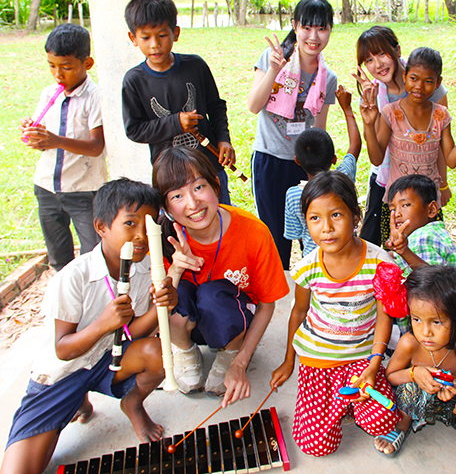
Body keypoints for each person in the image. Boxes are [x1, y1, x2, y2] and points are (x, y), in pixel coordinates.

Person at [0, 179, 177, 474]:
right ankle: (76, 400)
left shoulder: (145, 266)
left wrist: (163, 307)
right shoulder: (73, 277)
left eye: (148, 226)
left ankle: (131, 404)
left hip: (109, 357)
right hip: (63, 372)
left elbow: (136, 333)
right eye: (130, 224)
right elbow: (63, 350)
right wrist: (102, 325)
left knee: (156, 353)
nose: (141, 236)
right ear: (101, 227)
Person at [270, 171, 402, 457]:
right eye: (314, 218)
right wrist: (289, 360)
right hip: (318, 361)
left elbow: (384, 316)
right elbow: (299, 312)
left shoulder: (380, 262)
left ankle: (351, 403)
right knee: (314, 447)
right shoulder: (307, 268)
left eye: (336, 215)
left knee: (382, 419)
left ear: (356, 216)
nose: (326, 228)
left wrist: (374, 363)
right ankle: (339, 405)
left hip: (362, 361)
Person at [152, 147, 289, 402]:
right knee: (173, 292)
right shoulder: (162, 237)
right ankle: (185, 350)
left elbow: (268, 304)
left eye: (198, 187)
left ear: (216, 185)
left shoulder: (253, 233)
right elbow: (156, 304)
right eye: (177, 195)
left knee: (213, 293)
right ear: (166, 206)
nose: (193, 204)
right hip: (188, 325)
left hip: (233, 321)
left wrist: (240, 361)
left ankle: (229, 353)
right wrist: (176, 268)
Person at [246, 0, 338, 270]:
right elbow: (253, 105)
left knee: (313, 237)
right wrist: (274, 70)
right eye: (307, 27)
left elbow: (318, 129)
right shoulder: (273, 59)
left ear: (330, 30)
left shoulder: (328, 78)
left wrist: (321, 168)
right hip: (270, 159)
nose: (314, 36)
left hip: (306, 165)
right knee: (274, 238)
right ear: (295, 26)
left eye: (321, 28)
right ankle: (279, 300)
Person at [361, 47, 456, 245]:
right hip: (396, 205)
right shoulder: (390, 112)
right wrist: (368, 124)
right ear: (405, 75)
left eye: (428, 82)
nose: (419, 86)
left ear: (438, 83)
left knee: (428, 257)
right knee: (396, 255)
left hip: (428, 206)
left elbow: (451, 161)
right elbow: (376, 158)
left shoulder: (440, 115)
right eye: (414, 78)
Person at [122, 0, 234, 204]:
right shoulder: (134, 80)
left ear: (176, 33)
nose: (155, 44)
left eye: (162, 35)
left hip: (208, 167)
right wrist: (175, 123)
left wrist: (223, 139)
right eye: (145, 37)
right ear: (133, 38)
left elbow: (216, 107)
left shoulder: (196, 66)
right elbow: (134, 129)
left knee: (222, 219)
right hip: (170, 177)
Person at [375, 265, 456, 456]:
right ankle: (402, 425)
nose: (426, 332)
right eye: (416, 319)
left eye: (437, 322)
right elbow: (390, 376)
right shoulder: (410, 343)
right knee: (402, 397)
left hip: (450, 396)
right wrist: (413, 373)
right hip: (414, 398)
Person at [20, 23, 107, 271]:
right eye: (52, 66)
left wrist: (54, 140)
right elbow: (41, 142)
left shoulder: (95, 97)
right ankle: (66, 300)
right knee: (58, 255)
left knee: (94, 253)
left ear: (87, 64)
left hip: (83, 189)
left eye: (67, 67)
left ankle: (96, 302)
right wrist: (33, 134)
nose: (58, 74)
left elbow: (96, 146)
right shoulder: (49, 94)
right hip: (47, 187)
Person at [353, 26, 450, 245]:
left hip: (424, 181)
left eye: (381, 54)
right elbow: (376, 152)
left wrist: (442, 185)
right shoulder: (373, 94)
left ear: (397, 50)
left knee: (424, 240)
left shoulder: (422, 77)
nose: (377, 65)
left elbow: (441, 145)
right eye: (368, 60)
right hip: (387, 178)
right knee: (374, 239)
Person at [284, 85, 362, 257]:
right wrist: (347, 108)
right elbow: (355, 145)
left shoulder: (292, 195)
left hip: (314, 261)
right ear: (334, 159)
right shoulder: (344, 178)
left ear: (297, 161)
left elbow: (295, 235)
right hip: (348, 255)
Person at [384, 174, 456, 335]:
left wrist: (404, 251)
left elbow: (435, 283)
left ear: (431, 209)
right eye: (392, 208)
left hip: (429, 328)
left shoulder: (421, 238)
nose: (397, 213)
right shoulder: (434, 232)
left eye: (405, 205)